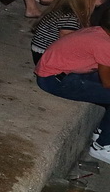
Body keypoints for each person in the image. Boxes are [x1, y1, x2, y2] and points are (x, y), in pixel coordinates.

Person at [35, 12, 110, 165]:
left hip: (68, 72)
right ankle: (101, 146)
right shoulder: (104, 44)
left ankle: (101, 132)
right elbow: (107, 83)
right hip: (54, 80)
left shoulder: (100, 32)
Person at [31, 0, 98, 65]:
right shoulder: (69, 18)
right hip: (46, 56)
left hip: (47, 52)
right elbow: (68, 43)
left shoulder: (67, 10)